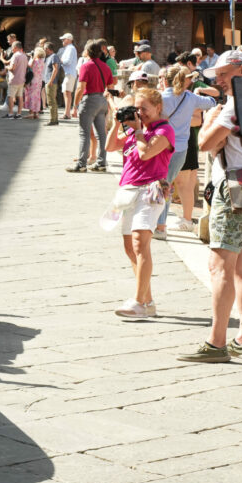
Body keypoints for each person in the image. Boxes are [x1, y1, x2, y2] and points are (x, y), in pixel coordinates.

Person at [178, 50, 242, 362]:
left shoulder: (235, 105)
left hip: (234, 188)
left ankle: (216, 342)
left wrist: (211, 120)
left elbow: (207, 143)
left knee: (220, 266)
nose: (220, 81)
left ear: (241, 70)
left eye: (224, 74)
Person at [105, 87, 174, 320]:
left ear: (158, 108)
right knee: (129, 247)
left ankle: (137, 302)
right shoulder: (137, 130)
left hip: (151, 190)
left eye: (144, 108)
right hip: (127, 191)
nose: (140, 113)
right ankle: (147, 301)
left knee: (139, 242)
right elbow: (110, 146)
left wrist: (137, 131)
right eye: (137, 108)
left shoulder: (164, 131)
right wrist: (118, 122)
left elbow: (146, 154)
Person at [151, 66, 217, 238]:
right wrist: (199, 93)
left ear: (165, 80)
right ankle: (159, 224)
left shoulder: (160, 97)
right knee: (167, 184)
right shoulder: (190, 97)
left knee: (161, 185)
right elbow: (213, 103)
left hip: (161, 146)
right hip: (181, 148)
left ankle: (160, 226)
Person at [67, 41, 113, 172]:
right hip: (102, 100)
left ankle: (81, 164)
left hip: (89, 100)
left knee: (84, 133)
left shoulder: (86, 66)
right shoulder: (106, 67)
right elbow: (110, 87)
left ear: (87, 52)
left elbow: (80, 88)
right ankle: (101, 162)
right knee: (101, 134)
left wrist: (75, 105)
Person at [0, 41, 27, 119]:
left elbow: (12, 68)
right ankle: (19, 114)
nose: (11, 49)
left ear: (15, 48)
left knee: (10, 96)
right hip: (22, 79)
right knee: (20, 97)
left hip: (14, 79)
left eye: (12, 48)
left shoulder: (15, 56)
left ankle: (11, 113)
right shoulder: (24, 56)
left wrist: (7, 67)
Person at [58, 33, 78, 119]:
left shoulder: (70, 48)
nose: (62, 40)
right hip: (69, 73)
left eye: (64, 39)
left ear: (69, 40)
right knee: (66, 92)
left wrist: (60, 61)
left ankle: (67, 113)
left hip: (69, 73)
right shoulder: (69, 48)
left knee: (67, 92)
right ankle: (67, 112)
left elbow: (68, 61)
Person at [43, 42, 62, 126]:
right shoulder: (49, 57)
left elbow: (55, 69)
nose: (43, 50)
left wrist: (51, 80)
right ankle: (54, 119)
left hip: (51, 82)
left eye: (44, 48)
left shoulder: (54, 56)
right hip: (49, 81)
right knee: (51, 101)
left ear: (47, 49)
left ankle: (53, 120)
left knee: (51, 101)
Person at [24, 47, 44, 119]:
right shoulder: (42, 61)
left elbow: (29, 66)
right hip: (39, 80)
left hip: (33, 79)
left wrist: (31, 57)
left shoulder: (34, 61)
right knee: (37, 97)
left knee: (31, 96)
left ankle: (31, 113)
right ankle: (36, 113)